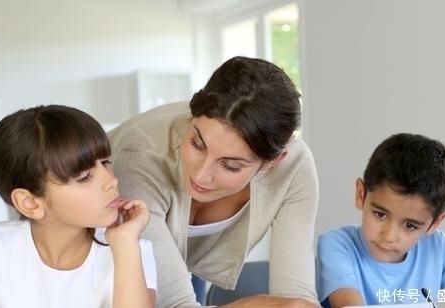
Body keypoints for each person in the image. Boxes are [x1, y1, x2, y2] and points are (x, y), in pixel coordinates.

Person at [108, 56, 320, 308]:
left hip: (189, 263)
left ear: (272, 162)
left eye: (230, 165)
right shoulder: (141, 157)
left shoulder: (293, 167)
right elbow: (176, 304)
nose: (200, 176)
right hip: (104, 267)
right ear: (192, 115)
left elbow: (296, 299)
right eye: (197, 144)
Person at [0, 105, 157, 308]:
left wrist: (126, 244)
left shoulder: (131, 250)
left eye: (106, 163)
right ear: (30, 203)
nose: (112, 181)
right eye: (85, 176)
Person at [316, 133, 445, 308]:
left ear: (435, 223)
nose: (389, 236)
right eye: (380, 214)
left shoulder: (437, 248)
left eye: (409, 225)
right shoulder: (337, 246)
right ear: (361, 194)